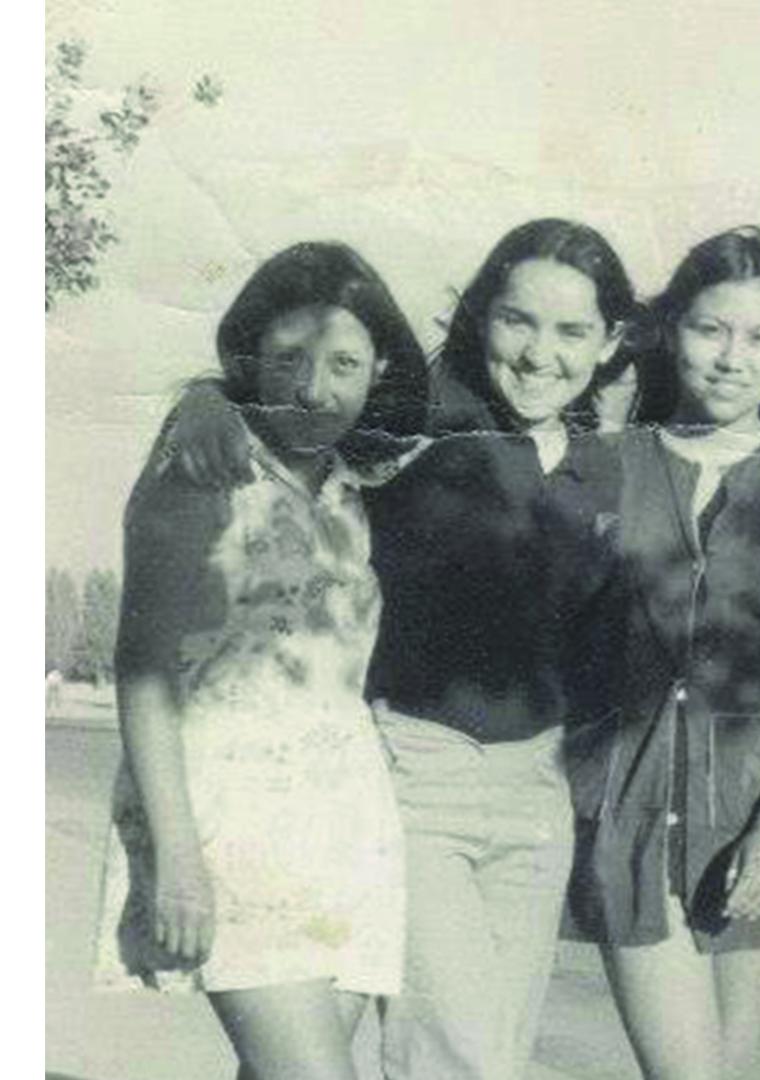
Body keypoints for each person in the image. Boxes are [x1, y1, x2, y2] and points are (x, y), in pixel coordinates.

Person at [155, 218, 643, 1080]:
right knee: (464, 1060)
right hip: (412, 777)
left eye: (572, 332)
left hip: (536, 798)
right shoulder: (417, 418)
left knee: (491, 1052)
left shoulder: (607, 468)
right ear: (478, 315)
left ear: (612, 342)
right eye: (516, 320)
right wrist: (205, 400)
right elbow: (296, 403)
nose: (539, 354)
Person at [94, 242, 428, 1079]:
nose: (316, 390)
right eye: (288, 360)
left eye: (344, 363)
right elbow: (142, 671)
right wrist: (177, 860)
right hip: (225, 826)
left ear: (378, 366)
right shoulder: (202, 468)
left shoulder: (355, 483)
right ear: (249, 358)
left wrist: (201, 394)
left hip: (347, 829)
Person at [563, 226, 760, 1080]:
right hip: (623, 817)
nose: (732, 357)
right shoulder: (604, 462)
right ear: (669, 331)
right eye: (710, 329)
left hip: (755, 826)